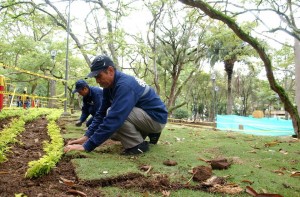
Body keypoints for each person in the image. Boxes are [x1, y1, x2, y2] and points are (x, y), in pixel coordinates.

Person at [64, 55, 168, 155]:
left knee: (112, 115)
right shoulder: (108, 87)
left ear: (110, 71)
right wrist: (86, 137)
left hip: (156, 118)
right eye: (96, 77)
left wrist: (87, 146)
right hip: (146, 117)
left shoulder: (124, 85)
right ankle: (149, 133)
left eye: (99, 76)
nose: (97, 81)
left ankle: (138, 146)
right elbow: (101, 114)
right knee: (112, 133)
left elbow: (115, 117)